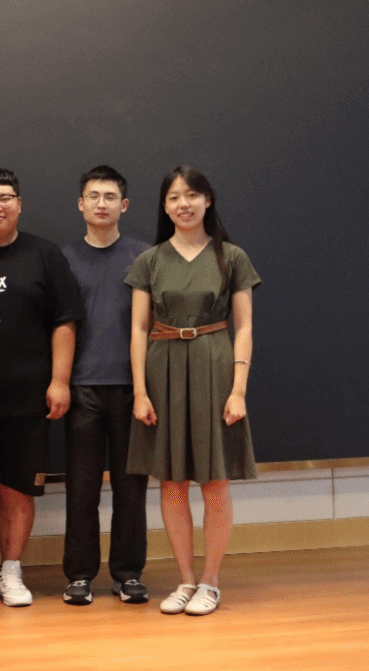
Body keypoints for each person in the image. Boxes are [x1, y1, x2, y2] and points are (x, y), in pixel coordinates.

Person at [127, 166, 260, 617]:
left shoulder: (232, 257)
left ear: (208, 200)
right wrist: (140, 392)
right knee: (171, 481)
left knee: (215, 481)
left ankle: (210, 581)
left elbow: (244, 327)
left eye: (191, 195)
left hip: (214, 366)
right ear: (164, 207)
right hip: (162, 369)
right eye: (173, 197)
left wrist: (238, 389)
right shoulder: (149, 260)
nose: (183, 204)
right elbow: (138, 329)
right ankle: (185, 580)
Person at [0, 167, 84, 608]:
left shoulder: (44, 255)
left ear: (19, 203)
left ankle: (10, 569)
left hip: (28, 398)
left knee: (18, 489)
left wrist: (60, 381)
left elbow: (65, 321)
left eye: (5, 197)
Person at [60, 166, 152, 606]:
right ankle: (79, 575)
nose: (101, 203)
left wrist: (146, 388)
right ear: (81, 204)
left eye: (110, 196)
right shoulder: (64, 259)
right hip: (82, 388)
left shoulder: (144, 256)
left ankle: (128, 573)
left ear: (124, 205)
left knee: (131, 487)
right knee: (81, 487)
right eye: (93, 196)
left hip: (133, 388)